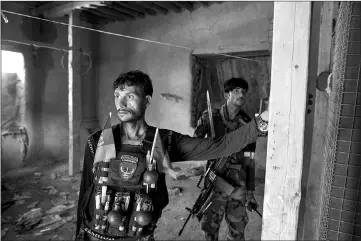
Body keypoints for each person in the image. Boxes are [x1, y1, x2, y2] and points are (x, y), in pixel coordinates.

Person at [75, 70, 269, 241]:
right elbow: (86, 194)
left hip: (137, 235)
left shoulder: (164, 141)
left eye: (130, 96)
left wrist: (258, 125)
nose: (121, 103)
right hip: (95, 234)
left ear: (147, 100)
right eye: (117, 96)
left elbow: (220, 145)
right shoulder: (98, 141)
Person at [194, 77, 262, 241]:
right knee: (209, 228)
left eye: (243, 92)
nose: (241, 95)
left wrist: (251, 191)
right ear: (227, 95)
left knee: (237, 230)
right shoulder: (209, 116)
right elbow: (195, 145)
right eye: (237, 91)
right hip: (214, 180)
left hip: (238, 185)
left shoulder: (247, 124)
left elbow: (250, 159)